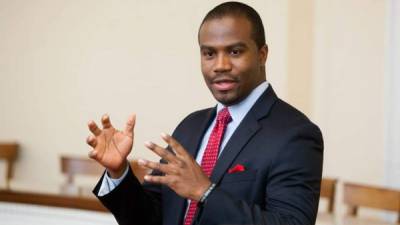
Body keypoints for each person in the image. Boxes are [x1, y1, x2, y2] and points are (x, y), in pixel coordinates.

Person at [86, 2, 323, 225]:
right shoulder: (191, 125)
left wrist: (205, 192)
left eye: (235, 52)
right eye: (209, 53)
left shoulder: (295, 135)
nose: (220, 65)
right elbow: (152, 218)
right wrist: (119, 172)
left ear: (262, 54)